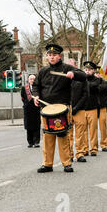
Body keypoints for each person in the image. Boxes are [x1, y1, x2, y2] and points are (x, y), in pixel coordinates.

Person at [32, 44, 86, 173]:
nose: (51, 57)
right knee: (48, 137)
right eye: (49, 55)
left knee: (63, 136)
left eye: (54, 55)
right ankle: (47, 164)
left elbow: (83, 76)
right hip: (46, 108)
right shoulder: (43, 71)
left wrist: (73, 73)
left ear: (59, 56)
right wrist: (36, 95)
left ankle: (66, 163)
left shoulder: (66, 68)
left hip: (62, 108)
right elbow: (35, 85)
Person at [68, 60, 88, 162]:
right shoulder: (64, 76)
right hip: (67, 109)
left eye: (71, 66)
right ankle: (69, 154)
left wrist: (76, 108)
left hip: (79, 109)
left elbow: (85, 94)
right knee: (68, 134)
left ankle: (80, 153)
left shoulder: (82, 77)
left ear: (76, 66)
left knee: (80, 133)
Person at [82, 61, 102, 156]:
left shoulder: (96, 80)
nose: (87, 71)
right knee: (84, 130)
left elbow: (91, 86)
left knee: (93, 129)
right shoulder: (82, 79)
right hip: (83, 108)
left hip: (93, 107)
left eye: (89, 70)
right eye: (86, 69)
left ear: (93, 71)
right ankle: (85, 148)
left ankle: (93, 148)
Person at [21, 74, 41, 148]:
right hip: (28, 110)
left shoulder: (38, 88)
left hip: (36, 109)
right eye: (31, 79)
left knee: (36, 126)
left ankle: (36, 142)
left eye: (33, 79)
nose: (32, 80)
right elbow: (22, 98)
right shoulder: (24, 88)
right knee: (28, 127)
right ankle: (30, 142)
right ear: (28, 80)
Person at [95, 67, 107, 152]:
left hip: (102, 107)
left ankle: (104, 144)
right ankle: (94, 146)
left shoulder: (105, 83)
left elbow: (100, 89)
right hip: (93, 107)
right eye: (96, 73)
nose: (98, 75)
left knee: (103, 126)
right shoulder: (91, 82)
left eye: (99, 73)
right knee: (93, 128)